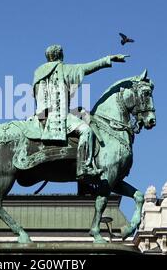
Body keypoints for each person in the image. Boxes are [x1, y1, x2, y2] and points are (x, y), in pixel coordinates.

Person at [30, 44, 128, 179]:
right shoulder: (64, 69)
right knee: (86, 131)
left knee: (82, 114)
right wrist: (108, 59)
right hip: (58, 116)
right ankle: (83, 166)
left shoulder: (38, 72)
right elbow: (88, 67)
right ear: (60, 55)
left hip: (41, 114)